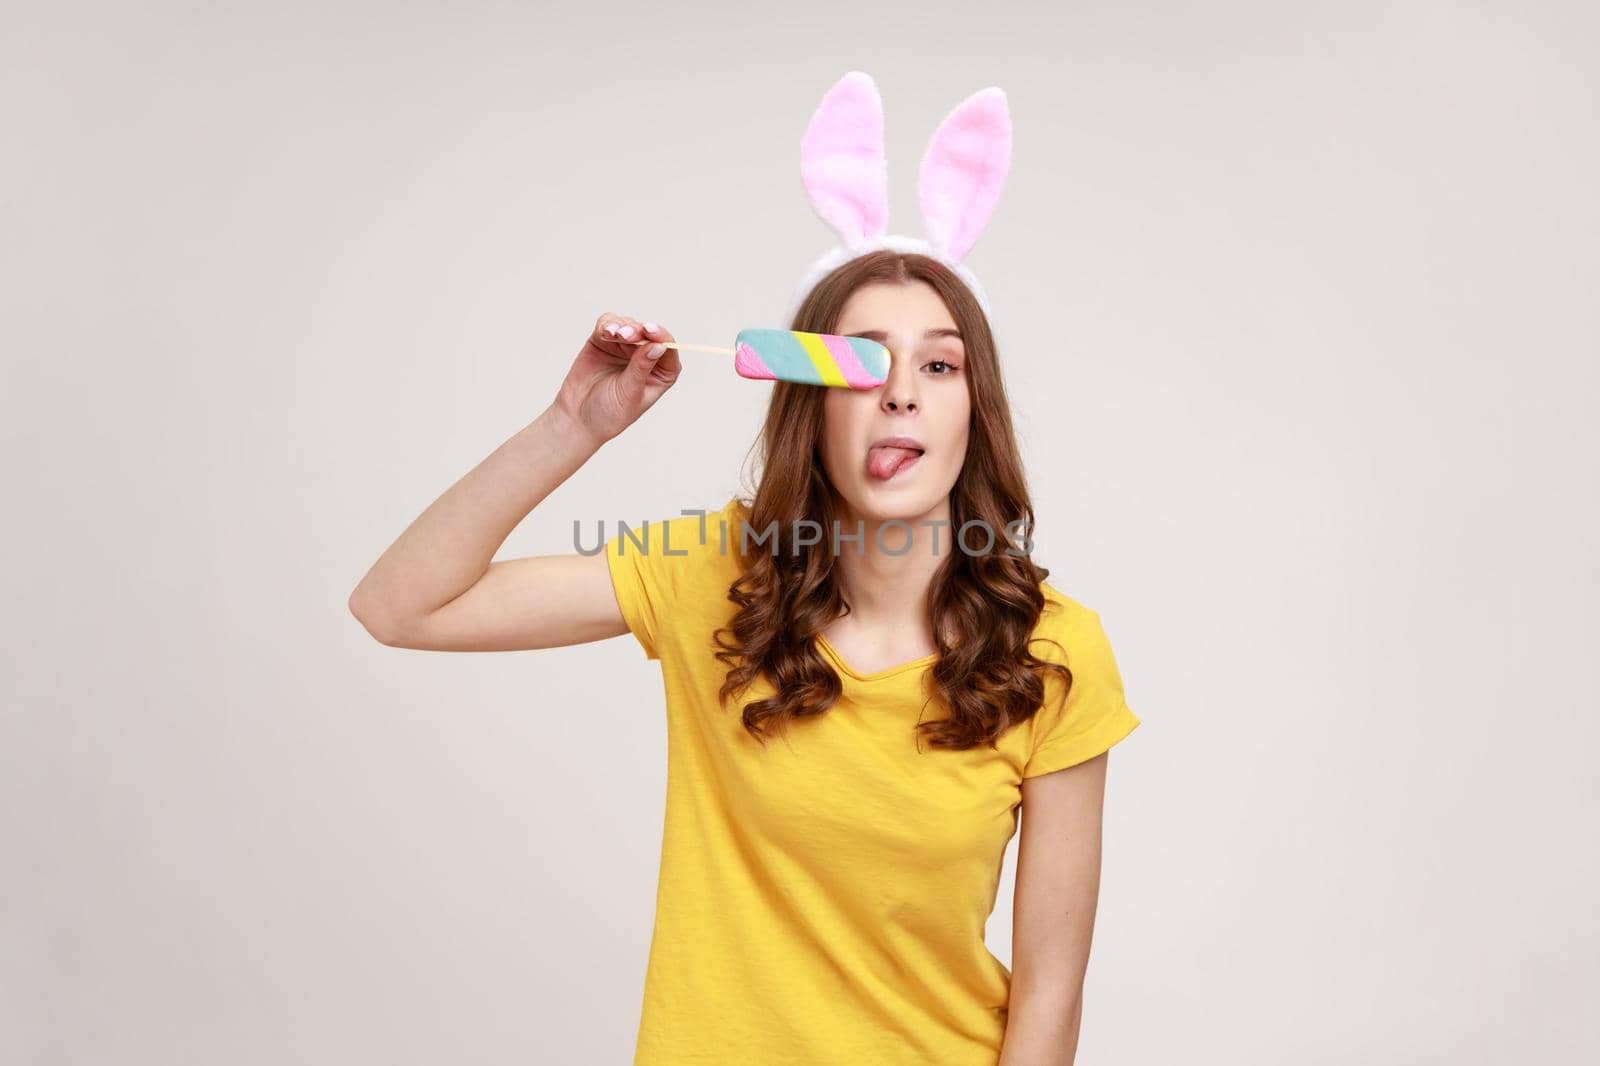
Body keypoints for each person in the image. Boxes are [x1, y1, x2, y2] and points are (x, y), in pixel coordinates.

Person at [349, 248, 1142, 1065]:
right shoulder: (715, 574)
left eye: (940, 364)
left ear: (975, 412)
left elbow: (1051, 992)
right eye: (865, 362)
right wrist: (573, 424)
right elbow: (399, 605)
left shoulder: (1052, 652)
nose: (902, 391)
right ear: (810, 404)